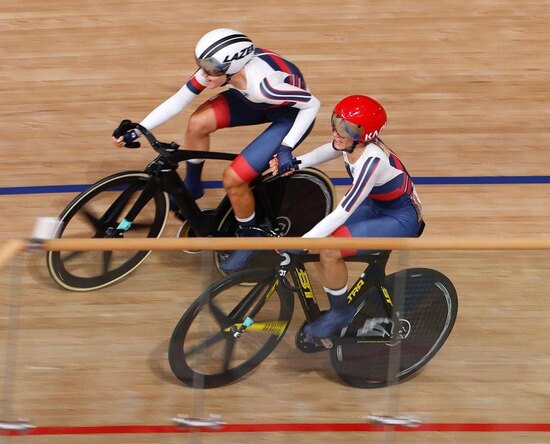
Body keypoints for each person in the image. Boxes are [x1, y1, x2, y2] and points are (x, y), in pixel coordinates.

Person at [113, 28, 320, 271]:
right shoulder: (220, 69)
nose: (204, 75)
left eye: (211, 71)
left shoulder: (265, 86)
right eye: (201, 65)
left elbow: (312, 104)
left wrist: (287, 147)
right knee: (197, 123)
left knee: (233, 179)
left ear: (232, 68)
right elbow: (180, 99)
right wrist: (139, 128)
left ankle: (249, 240)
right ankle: (192, 185)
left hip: (290, 115)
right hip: (252, 100)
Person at [270, 95, 424, 339]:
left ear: (365, 135)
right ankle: (337, 290)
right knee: (321, 244)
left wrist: (304, 242)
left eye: (347, 128)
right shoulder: (349, 143)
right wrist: (294, 163)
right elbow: (323, 152)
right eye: (336, 122)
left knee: (328, 249)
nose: (337, 132)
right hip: (378, 206)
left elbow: (344, 210)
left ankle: (341, 312)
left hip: (399, 217)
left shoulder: (371, 161)